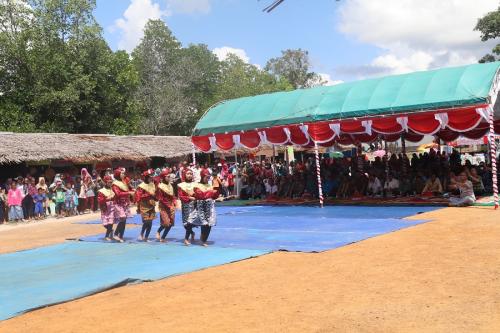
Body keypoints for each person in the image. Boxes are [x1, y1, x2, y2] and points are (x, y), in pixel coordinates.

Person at [194, 169, 219, 246]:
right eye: (206, 177)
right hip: (201, 207)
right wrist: (211, 193)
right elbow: (201, 195)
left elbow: (214, 196)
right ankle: (202, 239)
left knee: (210, 223)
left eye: (208, 177)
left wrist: (216, 191)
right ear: (202, 176)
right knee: (204, 223)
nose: (208, 179)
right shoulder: (197, 186)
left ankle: (204, 239)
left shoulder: (209, 185)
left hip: (210, 207)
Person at [112, 167, 134, 242]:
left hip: (125, 203)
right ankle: (115, 234)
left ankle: (121, 236)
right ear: (118, 174)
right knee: (123, 218)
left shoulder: (123, 182)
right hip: (118, 203)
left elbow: (128, 189)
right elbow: (118, 194)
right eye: (122, 173)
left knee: (124, 221)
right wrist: (129, 193)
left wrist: (132, 190)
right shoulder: (115, 184)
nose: (123, 174)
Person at [177, 168, 198, 246]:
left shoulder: (196, 184)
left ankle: (186, 239)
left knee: (190, 222)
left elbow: (198, 194)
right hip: (185, 206)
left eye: (191, 174)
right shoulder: (181, 185)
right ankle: (192, 233)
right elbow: (181, 196)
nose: (189, 175)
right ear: (184, 175)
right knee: (185, 224)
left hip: (194, 206)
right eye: (188, 174)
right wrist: (189, 198)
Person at [135, 169, 157, 242]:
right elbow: (139, 196)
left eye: (152, 177)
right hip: (144, 205)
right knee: (146, 221)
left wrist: (155, 197)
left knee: (150, 222)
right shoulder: (141, 186)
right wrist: (149, 194)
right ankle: (141, 234)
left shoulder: (152, 184)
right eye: (150, 177)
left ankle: (146, 237)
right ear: (146, 177)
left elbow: (154, 194)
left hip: (151, 205)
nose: (151, 178)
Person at [156, 169, 176, 242]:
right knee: (166, 222)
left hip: (171, 205)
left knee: (170, 223)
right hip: (163, 206)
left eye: (169, 176)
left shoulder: (170, 185)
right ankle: (158, 231)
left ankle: (163, 238)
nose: (169, 177)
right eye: (167, 176)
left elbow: (173, 195)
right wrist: (169, 205)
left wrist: (174, 202)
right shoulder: (160, 186)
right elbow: (161, 198)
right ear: (163, 177)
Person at [97, 175, 116, 241]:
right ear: (105, 182)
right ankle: (110, 230)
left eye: (111, 182)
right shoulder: (101, 191)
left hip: (112, 208)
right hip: (105, 208)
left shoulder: (113, 189)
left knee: (111, 222)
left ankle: (107, 236)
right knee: (105, 224)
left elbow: (115, 197)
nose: (110, 183)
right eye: (109, 182)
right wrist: (107, 199)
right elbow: (100, 200)